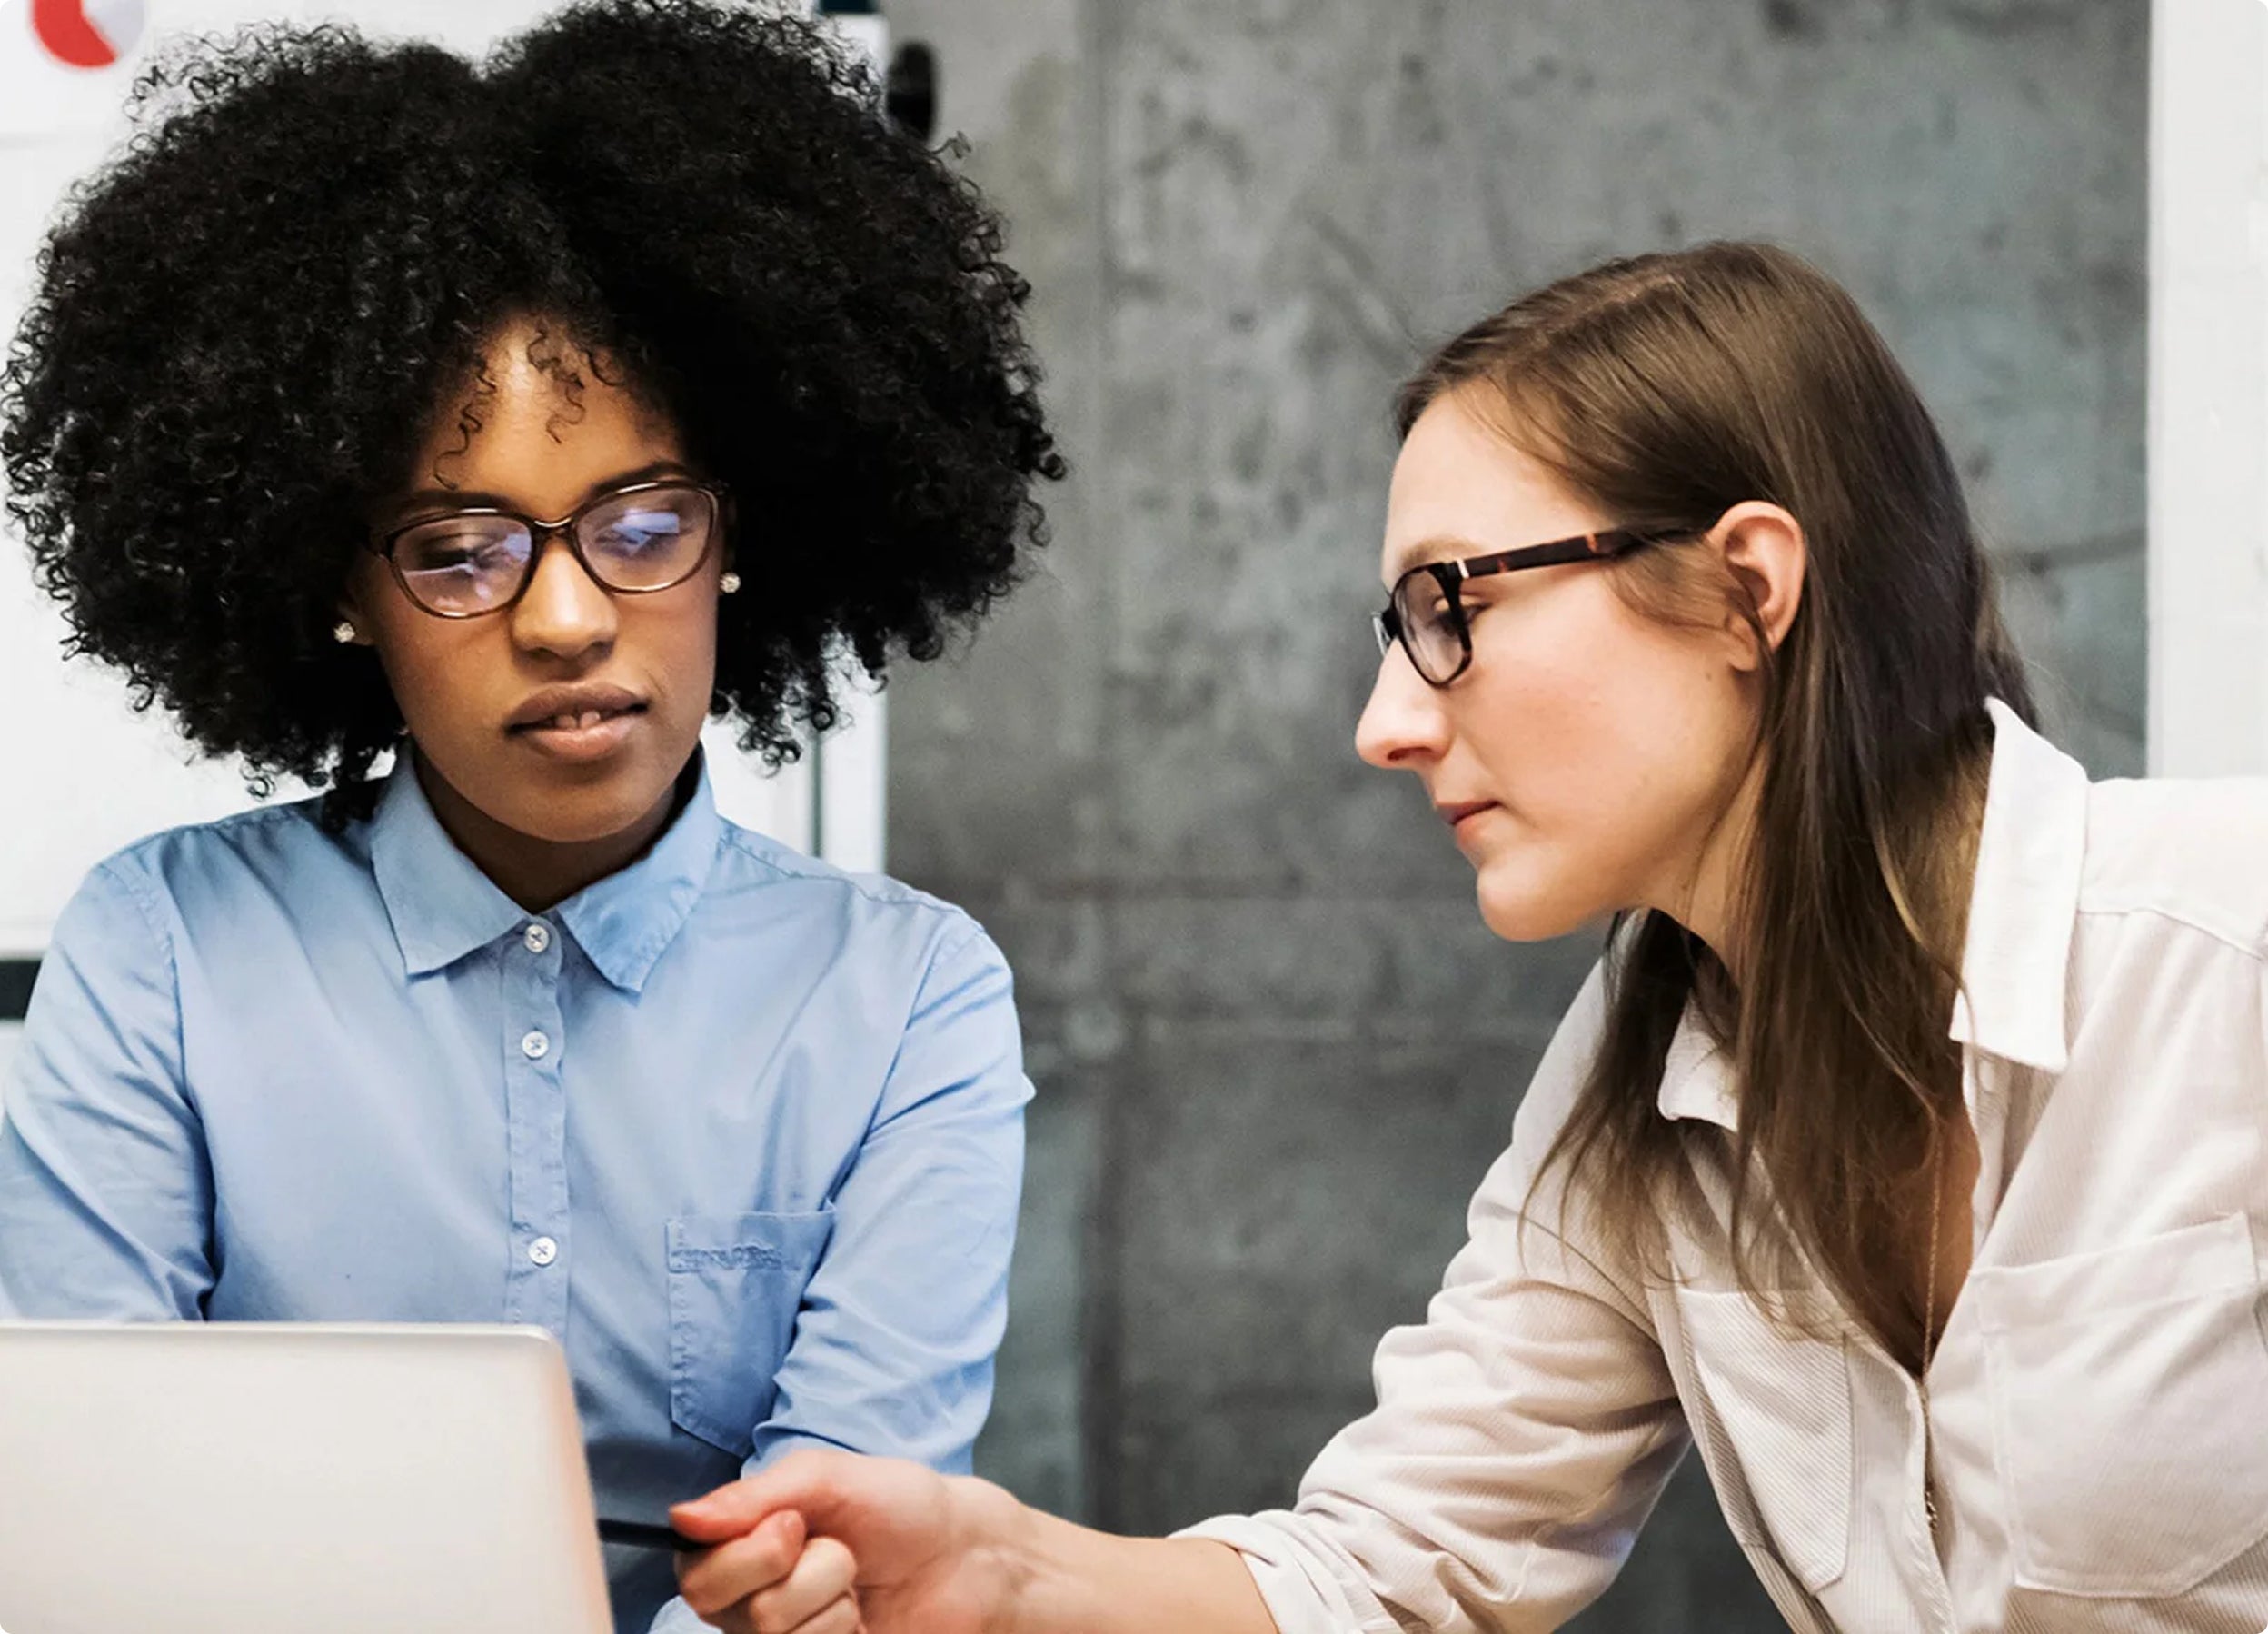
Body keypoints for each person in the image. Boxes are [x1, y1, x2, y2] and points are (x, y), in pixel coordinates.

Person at [655, 242, 2268, 1634]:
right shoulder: (1643, 1074)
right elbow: (1396, 1568)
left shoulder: (2223, 954)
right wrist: (1002, 1573)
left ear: (1743, 588)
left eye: (1452, 608)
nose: (1384, 724)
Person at [0, 5, 1062, 1630]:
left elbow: (845, 1555)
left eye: (644, 522)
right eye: (458, 544)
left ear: (739, 540)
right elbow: (97, 1523)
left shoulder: (907, 1003)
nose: (567, 619)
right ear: (340, 587)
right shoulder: (160, 957)